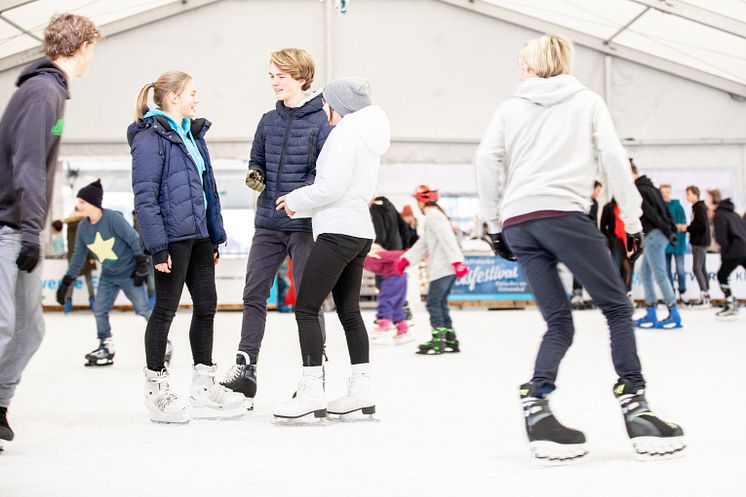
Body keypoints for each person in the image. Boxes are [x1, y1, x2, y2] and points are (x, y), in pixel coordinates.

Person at [475, 34, 683, 463]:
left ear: (533, 66)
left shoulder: (510, 108)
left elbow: (486, 160)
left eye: (523, 64)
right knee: (618, 308)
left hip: (518, 221)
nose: (520, 72)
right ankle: (637, 408)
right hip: (563, 215)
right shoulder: (587, 102)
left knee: (559, 323)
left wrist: (494, 222)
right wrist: (631, 218)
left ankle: (538, 409)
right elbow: (613, 156)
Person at [0, 13, 100, 450]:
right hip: (6, 227)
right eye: (93, 48)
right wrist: (28, 232)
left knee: (29, 330)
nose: (92, 56)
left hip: (16, 227)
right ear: (81, 47)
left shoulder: (51, 93)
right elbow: (28, 167)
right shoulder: (43, 93)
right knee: (4, 325)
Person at [272, 76, 391, 419]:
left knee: (306, 308)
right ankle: (361, 388)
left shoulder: (345, 133)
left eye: (326, 101)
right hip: (357, 231)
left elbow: (330, 186)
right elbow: (346, 189)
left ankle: (311, 392)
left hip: (338, 232)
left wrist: (295, 198)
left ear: (336, 104)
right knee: (349, 312)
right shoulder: (368, 135)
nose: (323, 107)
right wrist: (304, 205)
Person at [130, 71, 244, 423]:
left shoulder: (193, 135)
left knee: (207, 306)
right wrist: (157, 246)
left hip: (198, 237)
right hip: (172, 238)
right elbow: (145, 197)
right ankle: (156, 390)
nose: (197, 99)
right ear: (173, 96)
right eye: (192, 92)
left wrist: (213, 234)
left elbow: (207, 190)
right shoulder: (151, 137)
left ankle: (203, 384)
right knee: (165, 309)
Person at [221, 49, 330, 408]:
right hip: (268, 221)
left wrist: (302, 197)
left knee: (308, 300)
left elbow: (323, 172)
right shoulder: (267, 120)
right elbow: (256, 159)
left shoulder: (321, 122)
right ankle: (246, 368)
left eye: (280, 75)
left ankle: (315, 373)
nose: (274, 82)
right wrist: (255, 176)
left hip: (303, 224)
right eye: (270, 75)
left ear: (301, 77)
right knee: (254, 293)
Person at [54, 180, 153, 367]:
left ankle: (161, 341)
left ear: (93, 203)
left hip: (129, 272)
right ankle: (105, 346)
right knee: (99, 310)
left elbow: (134, 239)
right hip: (108, 274)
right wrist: (67, 280)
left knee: (142, 308)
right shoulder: (83, 227)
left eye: (82, 202)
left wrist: (141, 264)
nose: (78, 206)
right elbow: (78, 256)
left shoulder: (112, 219)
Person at [397, 185, 469, 355]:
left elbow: (447, 239)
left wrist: (457, 262)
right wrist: (406, 260)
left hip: (444, 267)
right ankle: (450, 339)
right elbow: (424, 243)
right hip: (445, 267)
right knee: (440, 303)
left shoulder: (434, 217)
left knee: (433, 302)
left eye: (417, 201)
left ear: (422, 201)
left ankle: (438, 341)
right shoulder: (433, 217)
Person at [632, 164, 682, 329]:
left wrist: (668, 232)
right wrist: (671, 230)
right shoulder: (651, 188)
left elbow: (652, 214)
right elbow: (665, 210)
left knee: (659, 275)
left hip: (655, 235)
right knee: (645, 273)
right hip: (658, 234)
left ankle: (673, 312)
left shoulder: (639, 190)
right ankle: (651, 312)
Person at [369, 196, 412, 335]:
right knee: (397, 297)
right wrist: (405, 247)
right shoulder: (390, 205)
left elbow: (379, 229)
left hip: (386, 254)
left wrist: (378, 245)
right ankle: (401, 323)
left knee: (385, 295)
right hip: (398, 255)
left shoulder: (375, 207)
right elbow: (403, 226)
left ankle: (384, 321)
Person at [363, 245, 412, 344]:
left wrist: (411, 251)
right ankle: (403, 330)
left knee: (385, 300)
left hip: (394, 277)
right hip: (399, 277)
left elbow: (398, 254)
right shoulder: (365, 258)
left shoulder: (377, 255)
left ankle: (384, 326)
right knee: (397, 305)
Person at [710, 189, 746, 318]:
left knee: (722, 275)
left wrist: (725, 255)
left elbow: (722, 239)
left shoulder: (719, 215)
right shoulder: (734, 214)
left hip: (735, 250)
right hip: (743, 248)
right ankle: (731, 303)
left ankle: (731, 303)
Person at [570, 181, 602, 308]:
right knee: (580, 267)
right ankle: (577, 293)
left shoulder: (595, 203)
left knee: (590, 268)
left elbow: (594, 224)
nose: (598, 193)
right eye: (597, 190)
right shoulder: (583, 202)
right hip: (580, 240)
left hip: (590, 240)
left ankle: (589, 294)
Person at [600, 198, 635, 299]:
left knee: (628, 268)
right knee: (617, 267)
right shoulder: (609, 207)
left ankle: (626, 292)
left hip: (628, 241)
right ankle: (617, 293)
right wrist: (609, 239)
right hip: (616, 241)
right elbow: (603, 226)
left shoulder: (628, 205)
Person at [63, 206, 96, 311]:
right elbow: (88, 241)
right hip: (84, 256)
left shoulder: (69, 224)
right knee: (89, 280)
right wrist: (91, 256)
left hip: (72, 256)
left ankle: (68, 302)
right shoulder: (84, 224)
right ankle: (92, 302)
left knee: (71, 280)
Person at [660, 184, 688, 302]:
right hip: (664, 244)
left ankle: (682, 291)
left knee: (680, 269)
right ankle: (671, 293)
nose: (665, 194)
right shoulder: (658, 207)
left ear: (670, 192)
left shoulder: (678, 207)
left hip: (678, 243)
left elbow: (684, 225)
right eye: (663, 192)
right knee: (666, 270)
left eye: (667, 191)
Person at [685, 186, 711, 306]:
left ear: (695, 194)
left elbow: (701, 225)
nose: (687, 197)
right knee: (702, 268)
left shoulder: (699, 208)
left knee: (697, 268)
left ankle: (705, 295)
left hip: (700, 243)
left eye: (688, 194)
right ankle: (706, 295)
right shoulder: (698, 207)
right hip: (701, 242)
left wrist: (687, 228)